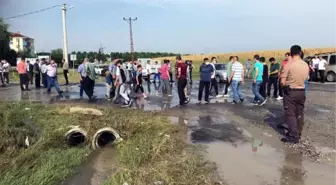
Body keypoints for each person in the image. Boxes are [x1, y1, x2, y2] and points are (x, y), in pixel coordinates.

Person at [280, 45, 309, 143]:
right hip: (302, 91)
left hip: (291, 91)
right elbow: (306, 78)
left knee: (290, 114)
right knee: (299, 113)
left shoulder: (289, 64)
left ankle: (293, 135)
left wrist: (284, 86)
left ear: (291, 52)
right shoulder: (305, 64)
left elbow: (282, 81)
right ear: (300, 53)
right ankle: (298, 132)